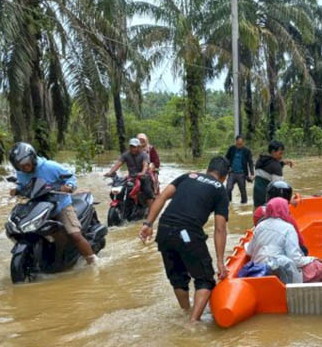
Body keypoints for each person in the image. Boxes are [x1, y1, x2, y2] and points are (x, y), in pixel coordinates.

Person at [139, 157, 231, 323]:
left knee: (178, 277)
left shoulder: (189, 176)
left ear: (208, 169)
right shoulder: (220, 189)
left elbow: (161, 197)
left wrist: (148, 223)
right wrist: (220, 261)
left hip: (164, 230)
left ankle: (185, 312)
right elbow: (220, 228)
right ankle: (192, 323)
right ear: (225, 176)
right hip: (186, 233)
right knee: (205, 280)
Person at [8, 142, 96, 265]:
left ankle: (92, 261)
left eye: (26, 164)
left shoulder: (50, 166)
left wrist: (69, 186)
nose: (24, 168)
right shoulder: (21, 173)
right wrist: (17, 189)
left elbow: (70, 177)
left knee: (74, 234)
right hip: (37, 206)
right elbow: (22, 185)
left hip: (60, 205)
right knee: (24, 230)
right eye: (19, 166)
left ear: (32, 158)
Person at [246, 197, 315, 284]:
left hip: (259, 269)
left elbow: (249, 251)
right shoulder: (288, 228)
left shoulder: (260, 226)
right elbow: (296, 259)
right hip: (280, 272)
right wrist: (312, 259)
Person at [253, 180, 307, 255]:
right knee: (304, 250)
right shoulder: (288, 220)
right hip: (281, 254)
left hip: (262, 252)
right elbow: (300, 242)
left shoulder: (258, 212)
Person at [105, 138, 155, 208]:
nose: (132, 149)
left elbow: (145, 165)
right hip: (131, 177)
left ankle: (151, 211)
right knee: (120, 188)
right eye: (131, 147)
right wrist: (110, 172)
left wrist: (142, 172)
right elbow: (118, 163)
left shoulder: (143, 155)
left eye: (134, 147)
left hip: (143, 177)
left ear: (139, 147)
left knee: (147, 192)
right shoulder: (126, 155)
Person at [253, 141, 293, 208]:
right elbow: (280, 188)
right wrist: (290, 200)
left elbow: (268, 168)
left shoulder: (260, 161)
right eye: (280, 153)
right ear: (273, 152)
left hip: (257, 200)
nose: (281, 156)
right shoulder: (276, 166)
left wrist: (282, 163)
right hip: (268, 203)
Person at [225, 135, 254, 204]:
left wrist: (252, 174)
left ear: (243, 143)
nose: (238, 146)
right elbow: (226, 159)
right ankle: (229, 203)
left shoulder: (247, 151)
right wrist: (227, 168)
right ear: (235, 142)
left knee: (242, 191)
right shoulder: (231, 149)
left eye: (240, 144)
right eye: (237, 144)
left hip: (242, 174)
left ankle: (244, 205)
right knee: (228, 188)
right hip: (232, 172)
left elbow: (250, 162)